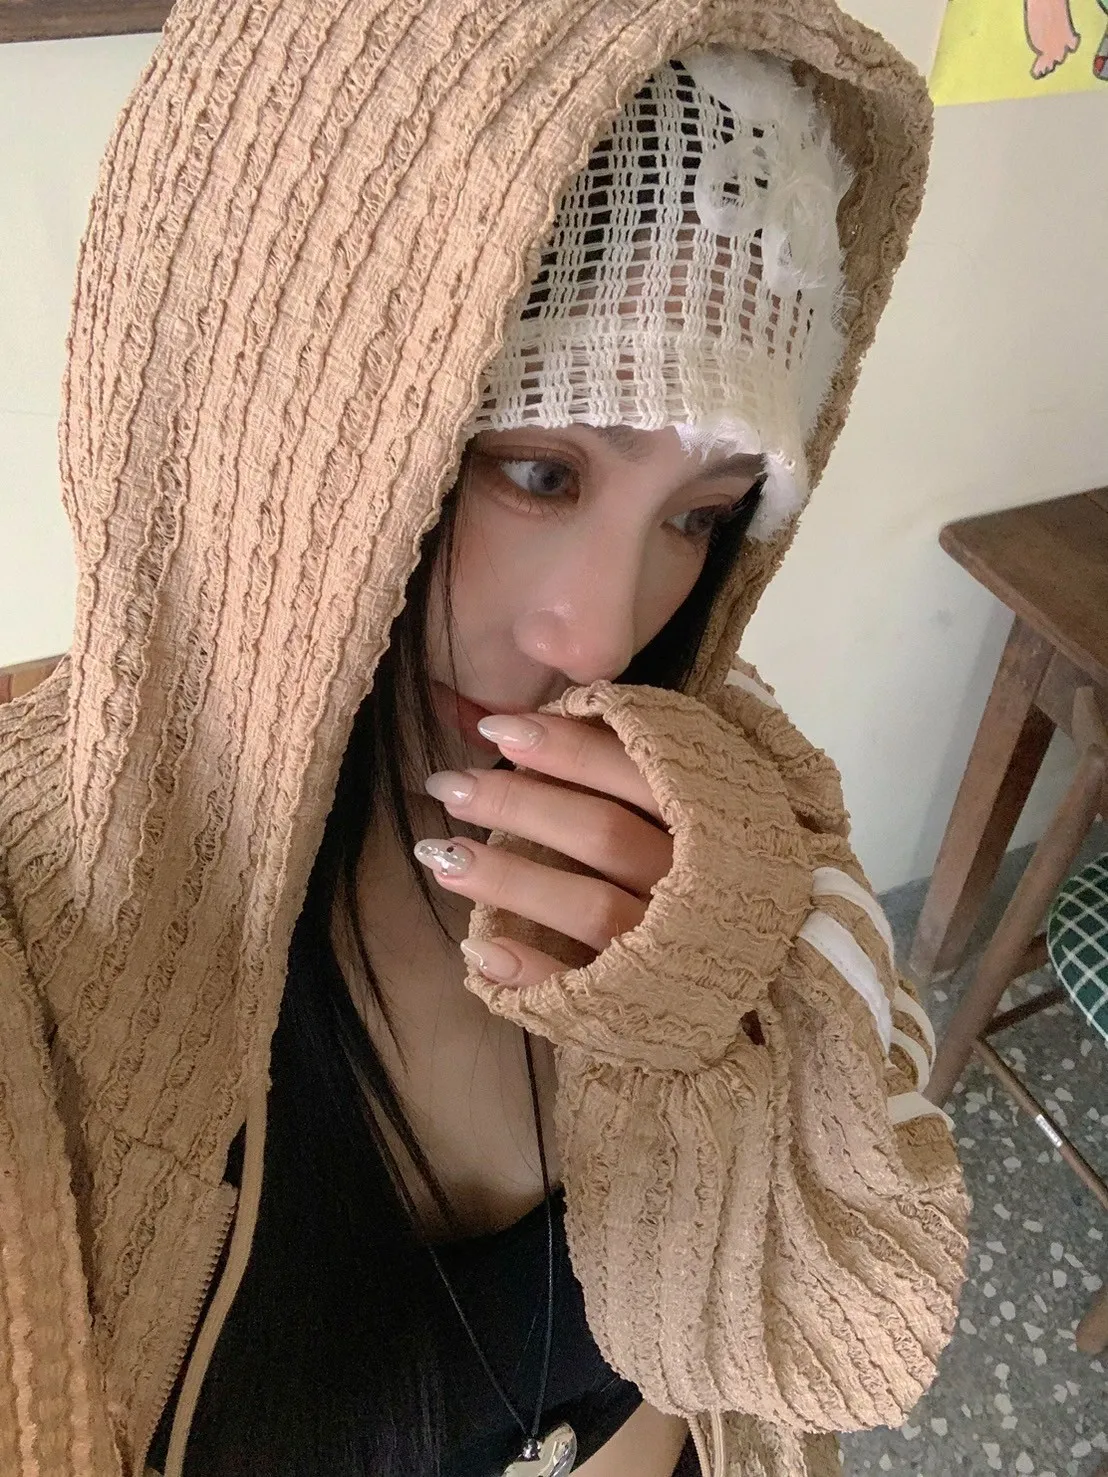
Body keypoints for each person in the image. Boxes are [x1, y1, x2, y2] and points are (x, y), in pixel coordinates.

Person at [0, 3, 969, 1477]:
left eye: (699, 517)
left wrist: (703, 1033)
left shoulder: (734, 800)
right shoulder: (43, 936)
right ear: (269, 425)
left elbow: (847, 1345)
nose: (600, 635)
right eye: (538, 471)